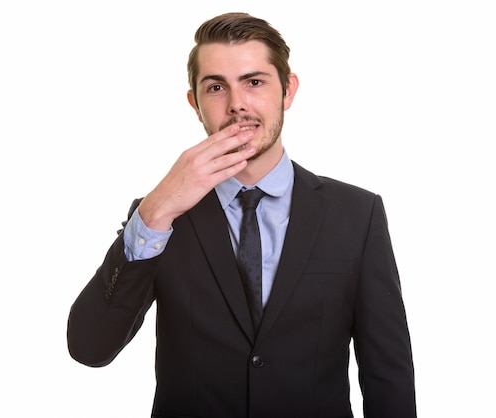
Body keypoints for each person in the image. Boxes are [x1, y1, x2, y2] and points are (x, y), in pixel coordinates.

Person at [67, 12, 416, 418]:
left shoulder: (357, 214)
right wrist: (157, 207)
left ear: (287, 90)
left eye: (254, 82)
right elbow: (89, 347)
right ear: (195, 104)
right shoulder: (159, 218)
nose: (236, 105)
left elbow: (388, 374)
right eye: (216, 87)